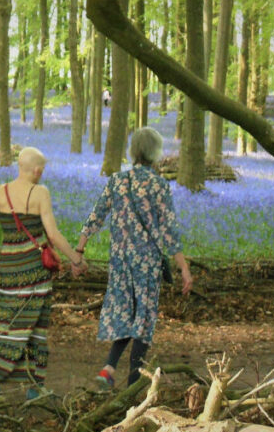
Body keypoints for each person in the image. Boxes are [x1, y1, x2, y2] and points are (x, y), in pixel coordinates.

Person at [75, 127, 193, 390]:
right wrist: (183, 268)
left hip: (120, 262)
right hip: (147, 263)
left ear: (133, 151)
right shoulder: (159, 185)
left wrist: (80, 250)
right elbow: (170, 231)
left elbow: (96, 215)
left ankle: (108, 368)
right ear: (155, 153)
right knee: (144, 319)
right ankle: (131, 386)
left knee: (125, 315)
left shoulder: (117, 181)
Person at [0, 147, 85, 399]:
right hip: (35, 275)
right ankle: (33, 387)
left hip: (9, 270)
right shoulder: (40, 193)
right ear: (37, 170)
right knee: (37, 330)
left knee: (6, 324)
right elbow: (52, 234)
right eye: (42, 170)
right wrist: (75, 258)